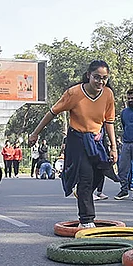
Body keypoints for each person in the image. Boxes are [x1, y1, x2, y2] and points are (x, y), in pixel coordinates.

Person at [28, 60, 118, 228]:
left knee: (99, 175)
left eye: (104, 78)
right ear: (88, 76)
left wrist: (113, 148)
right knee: (86, 177)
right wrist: (35, 133)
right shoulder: (74, 93)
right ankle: (86, 220)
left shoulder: (108, 94)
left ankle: (82, 193)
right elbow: (51, 113)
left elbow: (109, 121)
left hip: (97, 141)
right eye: (96, 77)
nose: (100, 81)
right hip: (77, 140)